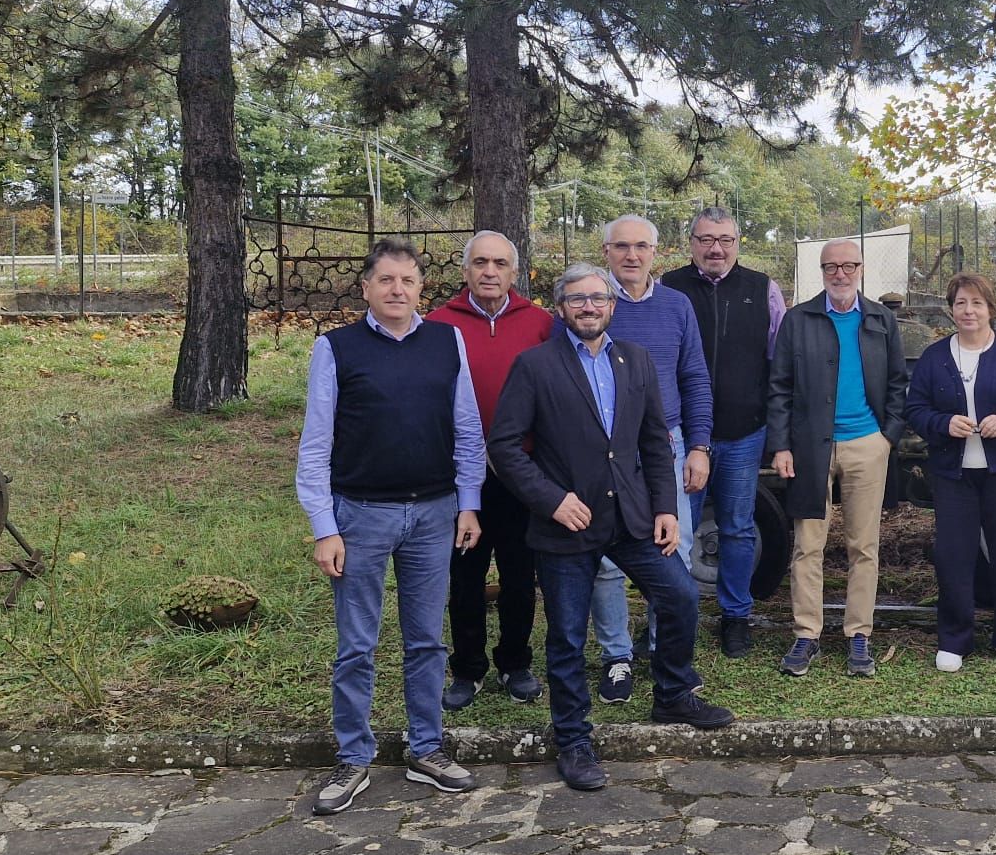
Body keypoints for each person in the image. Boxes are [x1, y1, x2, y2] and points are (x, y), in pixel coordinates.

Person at [488, 262, 734, 793]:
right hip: (566, 526)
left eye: (597, 299)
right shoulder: (535, 366)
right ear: (562, 307)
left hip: (631, 517)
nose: (588, 307)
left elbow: (653, 441)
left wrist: (665, 508)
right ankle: (573, 739)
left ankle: (671, 694)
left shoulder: (636, 361)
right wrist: (551, 501)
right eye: (577, 299)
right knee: (568, 637)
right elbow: (504, 447)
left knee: (680, 597)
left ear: (612, 306)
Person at [295, 237, 483, 816]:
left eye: (407, 280)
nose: (397, 290)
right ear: (367, 288)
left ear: (421, 286)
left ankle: (427, 749)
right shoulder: (336, 348)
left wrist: (468, 503)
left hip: (434, 514)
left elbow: (468, 429)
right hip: (360, 518)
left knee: (427, 641)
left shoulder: (447, 341)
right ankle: (354, 758)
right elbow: (316, 444)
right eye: (386, 281)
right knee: (357, 645)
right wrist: (325, 526)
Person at [767, 237, 907, 678]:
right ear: (822, 272)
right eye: (832, 267)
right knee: (808, 544)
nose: (841, 274)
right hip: (811, 447)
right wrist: (782, 445)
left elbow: (899, 384)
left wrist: (887, 438)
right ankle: (807, 633)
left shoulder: (880, 320)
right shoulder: (799, 319)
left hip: (867, 444)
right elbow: (780, 387)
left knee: (863, 545)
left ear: (861, 269)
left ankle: (858, 634)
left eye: (849, 266)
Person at [589, 214, 714, 707]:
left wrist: (699, 446)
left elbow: (695, 379)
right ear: (606, 252)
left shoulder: (677, 306)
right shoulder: (592, 304)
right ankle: (617, 656)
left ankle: (666, 653)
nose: (632, 256)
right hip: (604, 453)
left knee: (675, 552)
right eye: (621, 247)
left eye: (642, 247)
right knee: (605, 560)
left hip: (667, 445)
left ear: (656, 253)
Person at [428, 230, 554, 710]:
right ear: (465, 271)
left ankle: (516, 663)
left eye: (499, 263)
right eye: (480, 262)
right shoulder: (438, 324)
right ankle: (467, 668)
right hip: (462, 474)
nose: (489, 271)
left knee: (521, 575)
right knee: (466, 576)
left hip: (522, 472)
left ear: (514, 272)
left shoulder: (540, 322)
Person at [905, 272, 996, 672]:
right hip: (954, 475)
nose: (968, 310)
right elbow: (915, 410)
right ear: (951, 310)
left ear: (990, 308)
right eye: (960, 303)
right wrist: (942, 424)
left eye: (976, 303)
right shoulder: (935, 357)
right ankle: (955, 640)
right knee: (954, 557)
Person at [661, 206, 786, 657]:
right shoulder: (668, 289)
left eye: (725, 240)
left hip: (741, 432)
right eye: (706, 239)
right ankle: (672, 619)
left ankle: (736, 617)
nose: (716, 248)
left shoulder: (763, 290)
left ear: (737, 242)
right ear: (690, 242)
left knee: (737, 528)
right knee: (675, 528)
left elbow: (779, 364)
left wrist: (775, 431)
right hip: (681, 433)